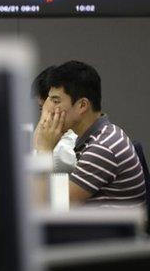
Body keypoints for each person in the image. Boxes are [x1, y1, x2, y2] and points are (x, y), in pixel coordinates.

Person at [34, 61, 146, 207]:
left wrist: (44, 150)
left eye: (56, 101)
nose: (49, 110)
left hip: (111, 230)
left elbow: (48, 205)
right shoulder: (98, 136)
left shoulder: (103, 147)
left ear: (82, 105)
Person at [31, 66, 76, 173]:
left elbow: (34, 163)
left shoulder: (67, 147)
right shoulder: (53, 135)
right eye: (41, 109)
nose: (44, 115)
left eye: (45, 108)